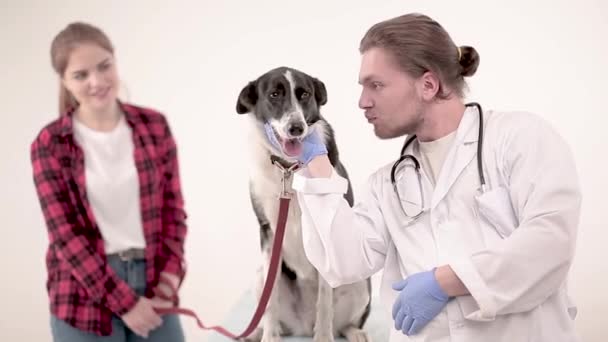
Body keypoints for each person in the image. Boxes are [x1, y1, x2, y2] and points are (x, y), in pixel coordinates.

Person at [264, 13, 582, 341]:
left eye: (376, 85)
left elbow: (550, 243)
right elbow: (342, 264)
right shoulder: (386, 184)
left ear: (428, 85)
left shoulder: (521, 138)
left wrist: (446, 282)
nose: (362, 102)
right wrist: (317, 164)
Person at [30, 22, 188, 341]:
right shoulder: (49, 144)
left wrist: (168, 282)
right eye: (81, 74)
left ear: (115, 60)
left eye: (105, 66)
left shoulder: (154, 126)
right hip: (82, 293)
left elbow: (174, 212)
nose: (97, 81)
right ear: (64, 80)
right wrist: (125, 302)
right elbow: (66, 236)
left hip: (153, 279)